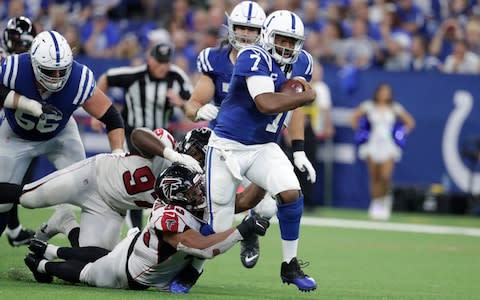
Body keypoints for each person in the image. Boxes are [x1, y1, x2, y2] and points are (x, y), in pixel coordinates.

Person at [184, 1, 316, 271]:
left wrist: (299, 148)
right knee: (217, 212)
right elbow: (193, 103)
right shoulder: (222, 59)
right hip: (226, 144)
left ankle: (250, 235)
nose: (245, 34)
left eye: (252, 28)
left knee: (268, 207)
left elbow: (293, 104)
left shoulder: (288, 60)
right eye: (240, 27)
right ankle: (197, 247)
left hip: (263, 145)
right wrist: (198, 111)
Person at [24, 163, 270, 293]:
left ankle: (49, 250)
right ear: (178, 194)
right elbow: (203, 248)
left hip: (137, 247)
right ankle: (42, 263)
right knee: (87, 274)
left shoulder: (183, 201)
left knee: (100, 256)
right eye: (193, 188)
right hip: (131, 272)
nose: (199, 191)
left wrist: (262, 176)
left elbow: (241, 202)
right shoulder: (171, 217)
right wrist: (243, 230)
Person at [0, 30, 125, 245]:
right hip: (16, 136)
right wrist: (27, 104)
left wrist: (118, 152)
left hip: (60, 136)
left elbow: (112, 117)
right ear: (34, 64)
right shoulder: (15, 67)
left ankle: (84, 240)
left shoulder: (79, 78)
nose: (57, 77)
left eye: (62, 70)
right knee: (2, 203)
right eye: (50, 71)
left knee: (89, 192)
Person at [0, 127, 203, 250]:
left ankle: (64, 222)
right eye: (195, 151)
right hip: (94, 176)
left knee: (92, 258)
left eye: (201, 155)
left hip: (112, 208)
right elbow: (137, 136)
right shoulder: (168, 148)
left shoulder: (194, 186)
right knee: (29, 198)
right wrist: (171, 155)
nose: (196, 157)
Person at [93, 42, 193, 230]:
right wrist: (98, 112)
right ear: (150, 60)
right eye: (159, 61)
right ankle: (134, 230)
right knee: (134, 185)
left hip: (161, 141)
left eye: (166, 62)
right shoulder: (135, 75)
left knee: (165, 184)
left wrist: (180, 102)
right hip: (132, 136)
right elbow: (106, 78)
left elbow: (192, 106)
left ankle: (164, 227)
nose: (163, 66)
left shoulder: (176, 76)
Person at [350, 83, 415, 220]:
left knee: (385, 177)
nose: (384, 94)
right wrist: (361, 132)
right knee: (374, 177)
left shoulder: (395, 108)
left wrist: (400, 134)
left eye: (387, 92)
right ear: (377, 93)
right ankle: (375, 204)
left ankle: (385, 201)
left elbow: (410, 122)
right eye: (382, 91)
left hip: (388, 145)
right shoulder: (369, 106)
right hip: (372, 144)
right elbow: (353, 117)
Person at [0, 15, 37, 247]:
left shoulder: (28, 65)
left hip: (13, 129)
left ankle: (13, 229)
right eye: (17, 40)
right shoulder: (7, 62)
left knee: (13, 179)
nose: (19, 46)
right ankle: (13, 229)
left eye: (24, 43)